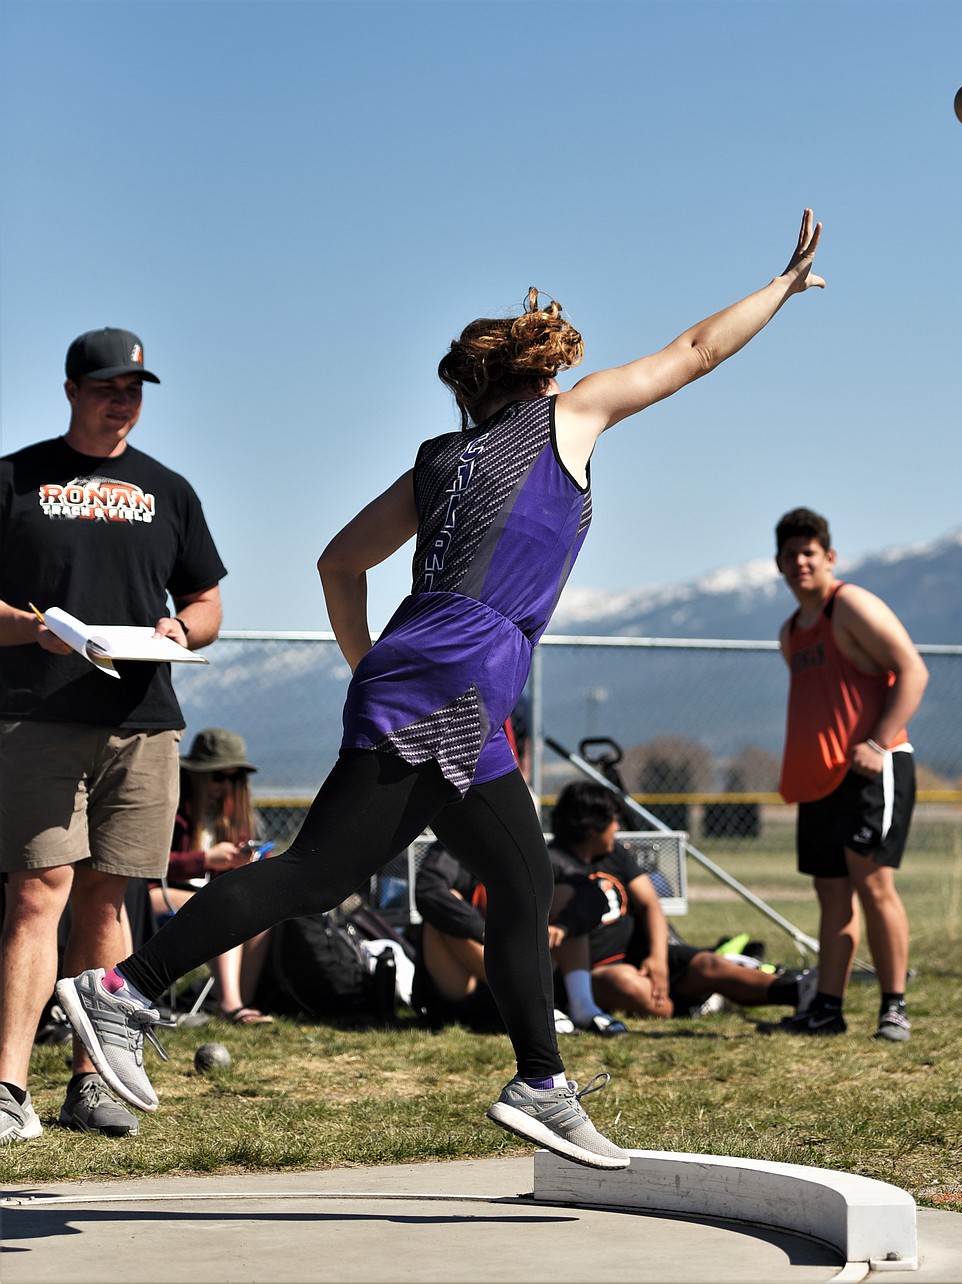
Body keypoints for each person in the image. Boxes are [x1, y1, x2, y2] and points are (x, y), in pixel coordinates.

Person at [56, 209, 825, 1170]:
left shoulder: (438, 461)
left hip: (448, 684)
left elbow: (340, 562)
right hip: (452, 677)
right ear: (541, 376)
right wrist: (781, 290)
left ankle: (541, 1084)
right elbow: (698, 350)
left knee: (526, 877)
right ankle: (121, 990)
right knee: (319, 874)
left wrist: (370, 667)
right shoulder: (570, 418)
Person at [0, 328, 226, 1144]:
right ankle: (6, 1088)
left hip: (142, 724)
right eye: (106, 387)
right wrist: (34, 632)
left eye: (134, 387)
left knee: (110, 894)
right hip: (37, 717)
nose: (122, 399)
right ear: (71, 390)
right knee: (36, 892)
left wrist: (182, 631)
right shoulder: (14, 479)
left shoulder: (169, 489)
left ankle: (90, 1084)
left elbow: (207, 601)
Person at [772, 507, 928, 1042]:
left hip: (872, 769)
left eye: (808, 553)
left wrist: (877, 742)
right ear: (779, 564)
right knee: (831, 894)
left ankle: (894, 1006)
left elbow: (913, 670)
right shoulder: (791, 632)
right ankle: (827, 1008)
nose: (799, 563)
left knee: (875, 887)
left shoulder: (851, 605)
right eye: (790, 555)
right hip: (822, 780)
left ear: (829, 557)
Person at [546, 782, 818, 1020]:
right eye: (613, 821)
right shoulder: (554, 863)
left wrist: (658, 958)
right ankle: (697, 1004)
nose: (617, 828)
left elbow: (650, 904)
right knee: (627, 984)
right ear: (593, 827)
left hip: (643, 955)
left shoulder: (614, 854)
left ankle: (800, 993)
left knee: (710, 965)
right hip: (597, 969)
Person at [411, 839, 627, 1036]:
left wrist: (564, 927)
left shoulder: (531, 849)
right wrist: (482, 932)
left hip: (526, 968)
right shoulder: (451, 849)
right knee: (446, 907)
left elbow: (591, 895)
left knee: (564, 895)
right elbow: (429, 892)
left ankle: (582, 1005)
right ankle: (532, 1006)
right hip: (463, 984)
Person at [153, 728, 275, 1024]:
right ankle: (230, 1005)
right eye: (218, 776)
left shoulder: (233, 816)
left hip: (205, 894)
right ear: (197, 774)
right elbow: (151, 862)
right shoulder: (170, 807)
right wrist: (205, 859)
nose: (225, 786)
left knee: (263, 916)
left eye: (234, 778)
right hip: (157, 892)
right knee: (220, 907)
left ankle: (241, 1004)